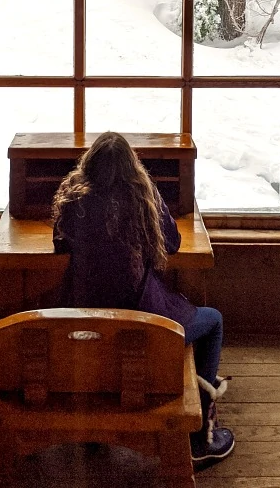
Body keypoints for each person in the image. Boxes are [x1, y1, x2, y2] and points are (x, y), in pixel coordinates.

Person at [51, 131, 234, 468]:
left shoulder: (72, 198)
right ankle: (202, 434)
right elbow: (174, 243)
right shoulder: (142, 197)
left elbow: (59, 244)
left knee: (105, 343)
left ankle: (96, 431)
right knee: (214, 321)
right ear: (132, 166)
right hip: (140, 324)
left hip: (82, 325)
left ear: (88, 164)